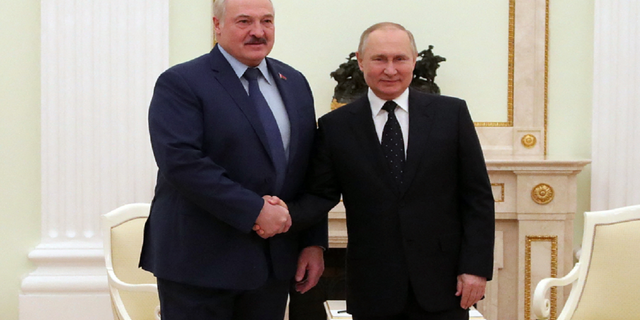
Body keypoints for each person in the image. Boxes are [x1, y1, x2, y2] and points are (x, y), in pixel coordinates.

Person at [284, 22, 495, 320]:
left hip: (444, 286)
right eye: (379, 59)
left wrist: (475, 268)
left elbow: (477, 198)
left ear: (415, 60)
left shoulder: (452, 114)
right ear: (360, 61)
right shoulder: (335, 127)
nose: (390, 69)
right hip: (372, 288)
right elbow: (320, 195)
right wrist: (281, 215)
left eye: (400, 59)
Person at [139, 0, 326, 319]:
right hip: (199, 265)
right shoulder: (181, 82)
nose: (258, 31)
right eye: (244, 21)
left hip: (272, 265)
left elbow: (308, 169)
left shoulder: (293, 82)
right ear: (217, 25)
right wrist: (256, 210)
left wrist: (313, 241)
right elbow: (182, 163)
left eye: (266, 21)